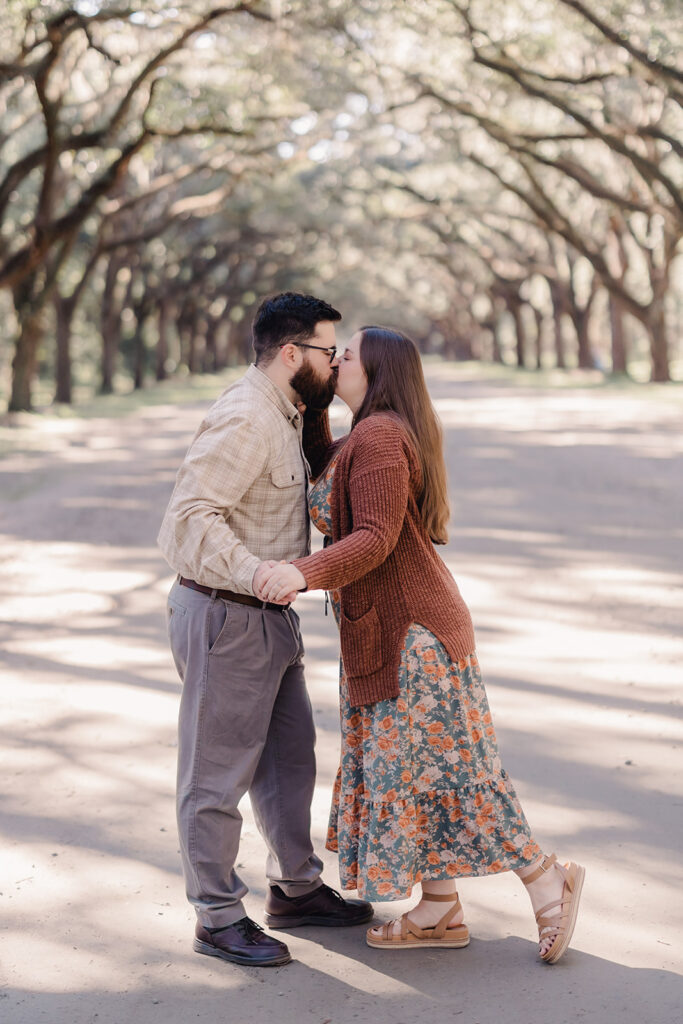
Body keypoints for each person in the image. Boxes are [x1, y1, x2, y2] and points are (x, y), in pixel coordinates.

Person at [259, 326, 585, 963]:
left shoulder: (380, 437)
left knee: (453, 772)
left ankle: (548, 878)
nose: (334, 362)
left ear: (375, 373)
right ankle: (438, 910)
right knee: (415, 778)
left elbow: (375, 536)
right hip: (394, 631)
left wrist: (304, 571)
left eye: (344, 356)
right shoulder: (370, 433)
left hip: (413, 639)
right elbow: (331, 483)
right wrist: (319, 407)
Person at [157, 293, 373, 969]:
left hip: (268, 618)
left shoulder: (287, 411)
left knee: (287, 763)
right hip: (227, 614)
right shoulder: (248, 416)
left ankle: (296, 889)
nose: (334, 363)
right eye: (326, 351)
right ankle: (217, 916)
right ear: (291, 354)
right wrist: (260, 575)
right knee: (214, 776)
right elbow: (189, 519)